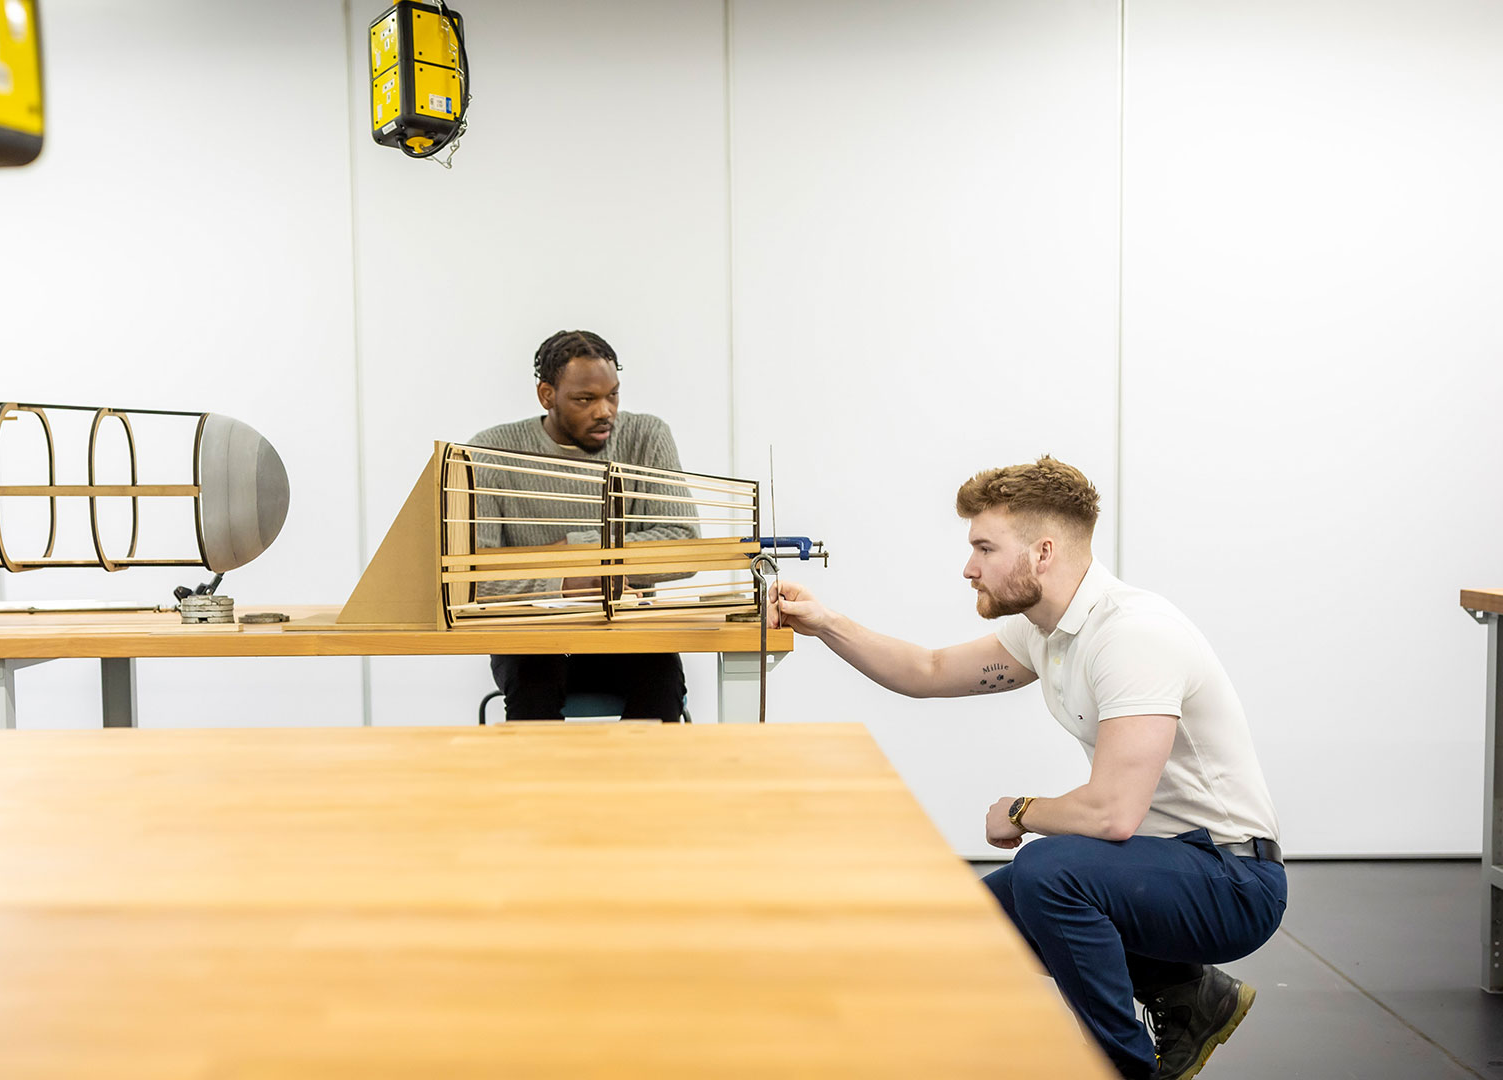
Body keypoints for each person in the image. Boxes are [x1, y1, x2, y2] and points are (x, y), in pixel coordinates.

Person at [769, 456, 1285, 1080]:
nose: (969, 567)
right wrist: (825, 623)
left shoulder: (1133, 636)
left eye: (985, 547)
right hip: (1159, 865)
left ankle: (1121, 1068)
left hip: (1232, 880)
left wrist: (1020, 810)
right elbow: (928, 671)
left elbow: (1111, 813)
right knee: (987, 918)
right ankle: (1188, 992)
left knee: (1048, 870)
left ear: (1043, 553)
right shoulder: (1048, 631)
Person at [469, 329, 696, 722]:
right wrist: (557, 583)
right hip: (532, 637)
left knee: (661, 684)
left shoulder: (647, 437)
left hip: (627, 633)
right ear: (547, 395)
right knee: (533, 686)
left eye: (613, 395)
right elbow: (472, 575)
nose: (605, 411)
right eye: (585, 399)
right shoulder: (490, 453)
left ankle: (641, 785)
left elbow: (684, 545)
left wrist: (578, 550)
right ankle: (545, 785)